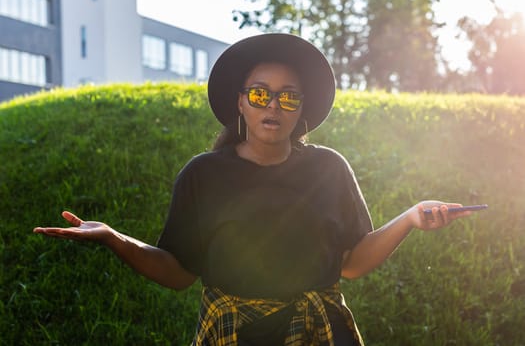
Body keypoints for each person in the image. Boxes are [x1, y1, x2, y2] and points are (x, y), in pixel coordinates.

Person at [34, 33, 473, 346]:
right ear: (240, 102)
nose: (274, 106)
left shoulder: (329, 168)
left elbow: (352, 264)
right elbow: (179, 272)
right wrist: (115, 238)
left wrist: (411, 217)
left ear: (301, 107)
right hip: (234, 335)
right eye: (260, 94)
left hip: (321, 333)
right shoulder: (203, 175)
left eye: (288, 96)